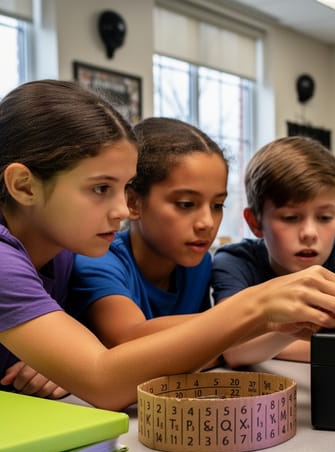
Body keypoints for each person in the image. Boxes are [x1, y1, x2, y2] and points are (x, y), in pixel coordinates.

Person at [0, 80, 335, 410]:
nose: (124, 210)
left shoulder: (62, 250)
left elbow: (90, 361)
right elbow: (104, 380)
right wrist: (258, 307)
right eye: (101, 189)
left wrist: (64, 362)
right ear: (24, 185)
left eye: (124, 188)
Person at [67, 117, 226, 351]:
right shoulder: (99, 260)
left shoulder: (199, 265)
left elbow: (204, 348)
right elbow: (128, 340)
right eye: (185, 204)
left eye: (218, 205)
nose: (207, 223)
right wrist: (250, 313)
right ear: (133, 202)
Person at [211, 136, 335, 366]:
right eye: (290, 217)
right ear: (255, 222)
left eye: (324, 218)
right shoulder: (234, 260)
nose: (309, 233)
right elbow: (234, 351)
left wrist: (262, 339)